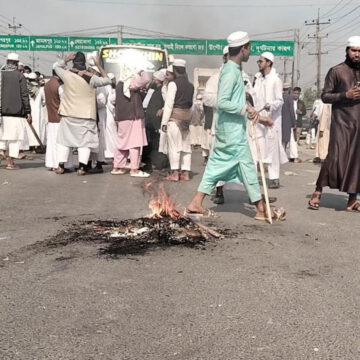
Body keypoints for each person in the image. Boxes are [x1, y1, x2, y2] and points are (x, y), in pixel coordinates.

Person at [187, 31, 285, 221]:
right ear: (243, 49)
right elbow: (223, 102)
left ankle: (197, 202)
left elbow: (236, 101)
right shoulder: (231, 71)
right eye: (249, 48)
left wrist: (256, 115)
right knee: (246, 166)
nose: (250, 52)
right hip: (231, 131)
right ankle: (261, 209)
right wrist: (245, 110)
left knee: (222, 165)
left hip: (230, 128)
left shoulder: (232, 70)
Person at [309, 36, 360, 212]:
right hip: (341, 122)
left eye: (359, 51)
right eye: (353, 50)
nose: (357, 54)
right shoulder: (337, 71)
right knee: (335, 157)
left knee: (356, 160)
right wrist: (345, 95)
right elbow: (325, 96)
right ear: (347, 51)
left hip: (359, 124)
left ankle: (352, 199)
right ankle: (317, 191)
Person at [53, 52, 112, 175]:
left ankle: (61, 166)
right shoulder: (91, 78)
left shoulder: (67, 75)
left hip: (68, 114)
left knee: (64, 141)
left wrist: (66, 59)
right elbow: (107, 80)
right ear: (84, 63)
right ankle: (82, 168)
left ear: (73, 62)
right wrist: (98, 65)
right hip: (86, 115)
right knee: (84, 142)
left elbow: (56, 67)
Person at [251, 52, 287, 189]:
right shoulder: (258, 78)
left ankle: (274, 177)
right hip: (258, 118)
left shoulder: (275, 80)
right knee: (256, 146)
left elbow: (280, 100)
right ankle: (253, 177)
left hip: (271, 120)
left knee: (272, 149)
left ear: (269, 63)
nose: (258, 63)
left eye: (261, 61)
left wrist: (270, 105)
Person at [202, 45, 229, 204]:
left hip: (239, 128)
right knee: (218, 160)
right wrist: (225, 101)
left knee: (245, 161)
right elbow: (207, 99)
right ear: (224, 58)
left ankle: (257, 198)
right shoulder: (215, 78)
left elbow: (251, 96)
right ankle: (219, 191)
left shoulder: (242, 76)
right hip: (220, 127)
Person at [159, 59, 194, 181]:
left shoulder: (173, 84)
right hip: (186, 120)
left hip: (174, 119)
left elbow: (169, 105)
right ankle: (186, 173)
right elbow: (192, 106)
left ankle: (174, 173)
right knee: (186, 147)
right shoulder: (191, 85)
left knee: (174, 146)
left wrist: (164, 123)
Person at [111, 69, 150, 177]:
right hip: (133, 117)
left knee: (121, 143)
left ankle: (117, 167)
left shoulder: (120, 84)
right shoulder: (131, 83)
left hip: (122, 117)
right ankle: (134, 169)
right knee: (135, 143)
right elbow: (146, 79)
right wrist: (141, 71)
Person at [0, 53, 32, 169]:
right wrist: (28, 111)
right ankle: (10, 163)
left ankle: (2, 150)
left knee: (3, 135)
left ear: (7, 61)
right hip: (15, 113)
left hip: (1, 112)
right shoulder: (19, 76)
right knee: (14, 138)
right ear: (17, 63)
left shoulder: (1, 74)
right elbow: (24, 95)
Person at [44, 70, 73, 171]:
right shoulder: (60, 86)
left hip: (50, 118)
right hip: (60, 119)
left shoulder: (46, 85)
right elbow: (65, 101)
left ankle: (53, 164)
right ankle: (63, 164)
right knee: (63, 143)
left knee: (52, 143)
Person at [142, 69, 168, 170]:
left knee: (157, 142)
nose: (152, 80)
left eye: (154, 78)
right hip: (150, 119)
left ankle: (160, 163)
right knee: (150, 141)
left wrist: (163, 109)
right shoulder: (153, 89)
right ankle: (149, 162)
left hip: (156, 121)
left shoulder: (163, 89)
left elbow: (168, 101)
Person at [281, 83, 299, 162]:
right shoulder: (289, 98)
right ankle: (282, 156)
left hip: (279, 121)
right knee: (285, 140)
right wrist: (294, 122)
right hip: (287, 121)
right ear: (289, 89)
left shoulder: (279, 97)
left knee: (281, 139)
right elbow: (292, 111)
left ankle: (280, 156)